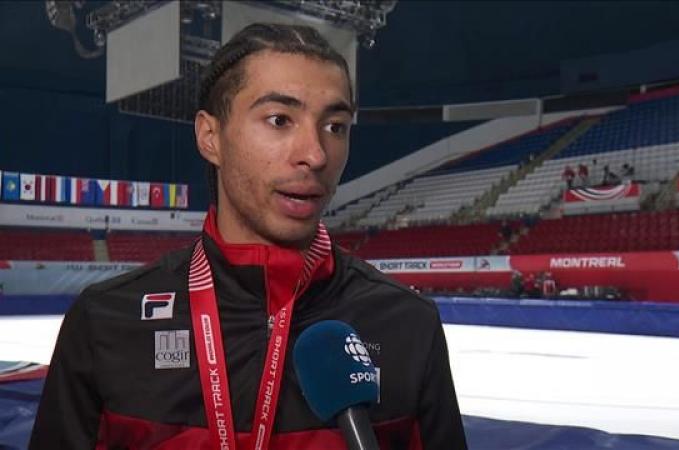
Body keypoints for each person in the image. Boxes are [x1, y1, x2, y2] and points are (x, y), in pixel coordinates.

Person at [29, 23, 468, 450]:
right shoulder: (105, 321)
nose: (315, 154)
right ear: (210, 136)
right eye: (279, 120)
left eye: (335, 126)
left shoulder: (408, 325)